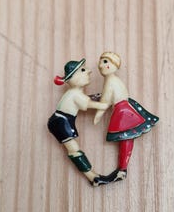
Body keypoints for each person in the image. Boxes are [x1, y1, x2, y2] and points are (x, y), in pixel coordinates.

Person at [93, 51, 159, 184]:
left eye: (105, 62)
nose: (100, 65)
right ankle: (122, 169)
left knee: (126, 138)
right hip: (127, 107)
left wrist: (98, 115)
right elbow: (108, 96)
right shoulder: (113, 81)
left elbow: (105, 102)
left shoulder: (110, 81)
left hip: (123, 111)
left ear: (115, 65)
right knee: (127, 138)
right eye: (101, 62)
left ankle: (122, 170)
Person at [47, 58, 108, 186]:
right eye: (83, 70)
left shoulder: (74, 93)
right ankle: (93, 177)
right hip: (61, 123)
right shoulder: (75, 94)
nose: (89, 71)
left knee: (74, 149)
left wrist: (98, 97)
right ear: (73, 77)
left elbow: (85, 100)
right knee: (74, 150)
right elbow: (88, 103)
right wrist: (103, 105)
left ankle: (93, 176)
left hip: (61, 121)